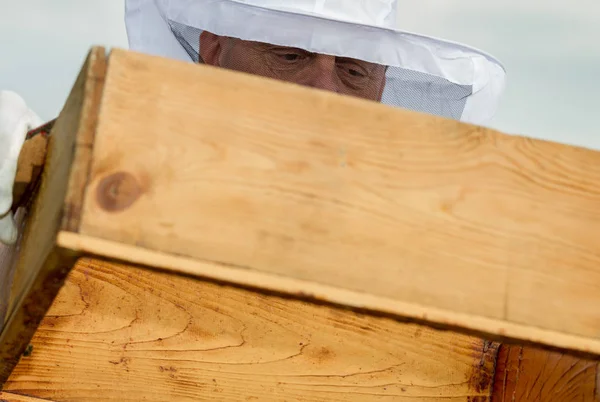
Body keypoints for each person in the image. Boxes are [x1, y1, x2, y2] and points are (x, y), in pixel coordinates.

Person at [0, 0, 506, 245]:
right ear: (214, 51)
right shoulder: (110, 184)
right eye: (290, 56)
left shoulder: (414, 244)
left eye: (353, 70)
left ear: (381, 88)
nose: (325, 93)